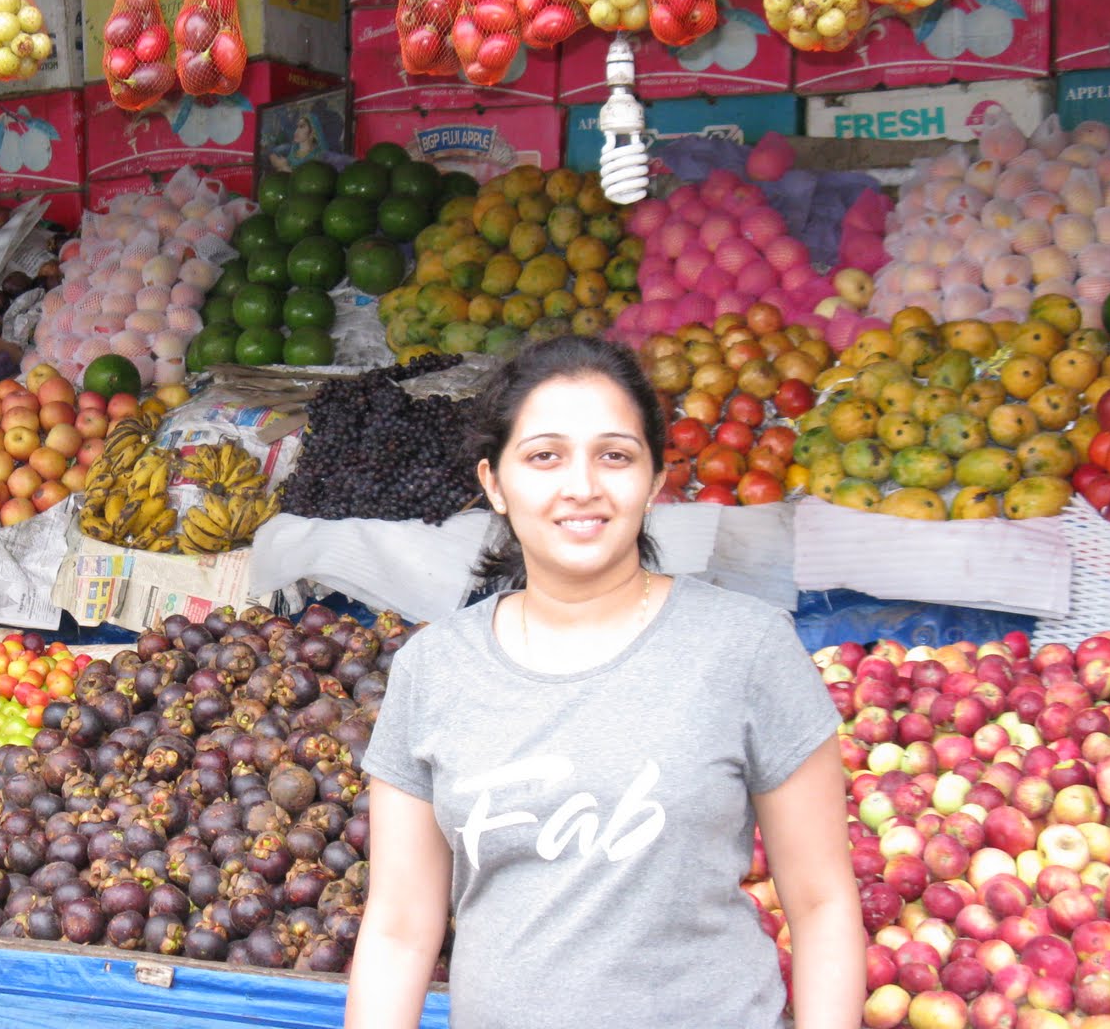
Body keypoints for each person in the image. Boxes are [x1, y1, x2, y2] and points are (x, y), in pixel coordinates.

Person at [345, 336, 863, 1029]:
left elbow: (824, 902)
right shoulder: (433, 670)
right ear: (495, 483)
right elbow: (401, 929)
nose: (582, 486)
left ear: (653, 481)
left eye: (614, 455)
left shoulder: (746, 647)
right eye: (544, 457)